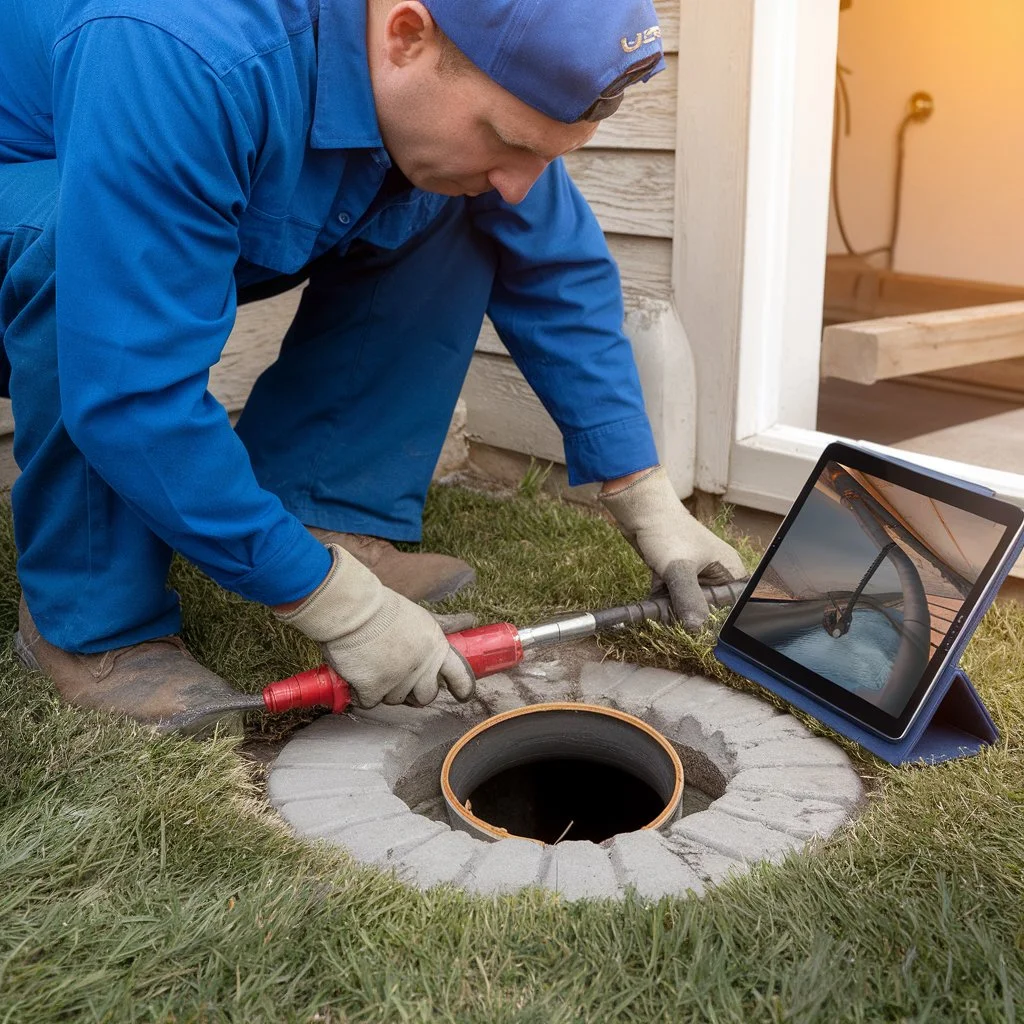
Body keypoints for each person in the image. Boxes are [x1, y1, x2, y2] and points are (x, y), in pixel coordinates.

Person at [0, 0, 746, 734]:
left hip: (152, 169)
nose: (524, 182)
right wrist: (339, 612)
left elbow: (553, 263)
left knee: (461, 194)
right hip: (37, 185)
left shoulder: (460, 73)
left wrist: (644, 495)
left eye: (547, 154)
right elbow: (131, 387)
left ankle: (323, 512)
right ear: (405, 35)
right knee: (80, 247)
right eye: (506, 137)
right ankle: (93, 623)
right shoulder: (182, 42)